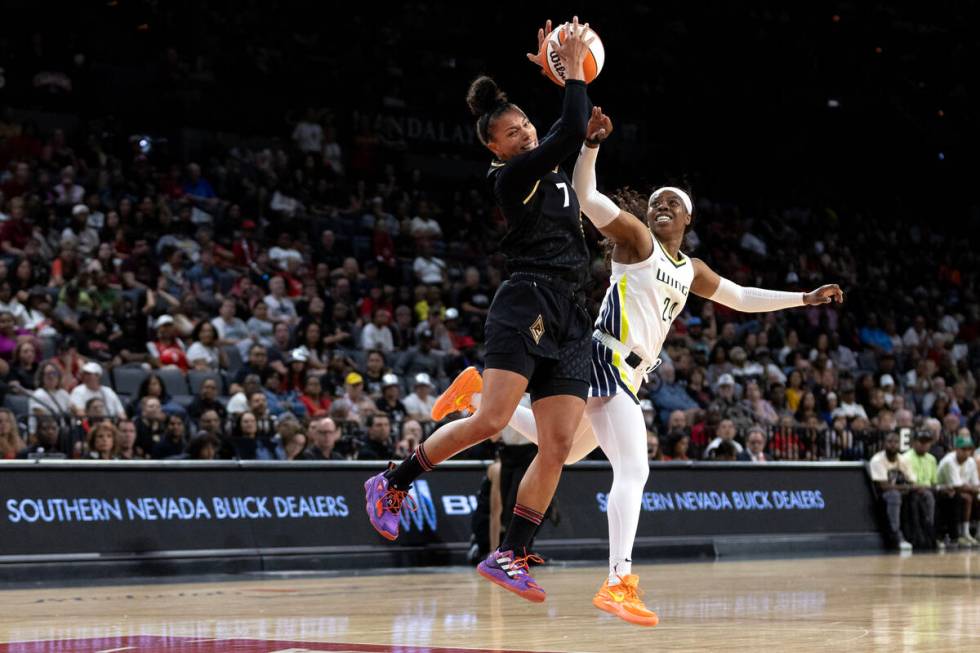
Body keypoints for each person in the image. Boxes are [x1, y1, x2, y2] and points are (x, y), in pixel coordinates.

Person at [437, 102, 844, 622]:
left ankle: (473, 391)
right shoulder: (638, 241)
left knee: (557, 447)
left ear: (689, 216)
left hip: (628, 372)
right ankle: (618, 580)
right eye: (656, 203)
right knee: (634, 467)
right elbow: (585, 196)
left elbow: (740, 297)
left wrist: (803, 299)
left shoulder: (690, 267)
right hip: (604, 356)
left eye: (672, 203)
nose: (662, 208)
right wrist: (591, 146)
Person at [364, 18, 597, 604]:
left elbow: (570, 130)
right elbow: (569, 127)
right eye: (511, 133)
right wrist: (570, 73)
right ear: (493, 148)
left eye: (524, 125)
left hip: (573, 311)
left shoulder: (547, 163)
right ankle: (393, 482)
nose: (522, 135)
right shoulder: (510, 177)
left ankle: (510, 553)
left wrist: (565, 78)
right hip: (526, 300)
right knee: (493, 421)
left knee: (558, 445)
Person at [869, 431, 916, 550]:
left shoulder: (903, 460)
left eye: (896, 442)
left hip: (900, 492)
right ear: (884, 444)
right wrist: (905, 487)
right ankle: (897, 535)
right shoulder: (877, 460)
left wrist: (908, 488)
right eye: (890, 442)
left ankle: (922, 536)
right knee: (894, 495)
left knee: (921, 495)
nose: (893, 445)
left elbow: (912, 481)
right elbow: (883, 486)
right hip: (882, 496)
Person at [936, 434, 979, 547]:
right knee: (966, 498)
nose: (966, 452)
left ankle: (974, 533)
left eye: (969, 449)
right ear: (956, 449)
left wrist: (972, 488)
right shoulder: (949, 461)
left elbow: (975, 484)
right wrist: (972, 488)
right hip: (942, 491)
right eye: (963, 449)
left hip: (962, 491)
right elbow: (957, 486)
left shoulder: (971, 461)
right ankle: (961, 534)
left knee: (977, 497)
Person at [901, 430, 940, 548]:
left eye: (927, 442)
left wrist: (931, 488)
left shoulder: (932, 459)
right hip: (911, 491)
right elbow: (905, 481)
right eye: (921, 442)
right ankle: (923, 532)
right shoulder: (905, 458)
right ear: (913, 443)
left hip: (928, 490)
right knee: (923, 497)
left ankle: (935, 534)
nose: (924, 445)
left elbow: (934, 482)